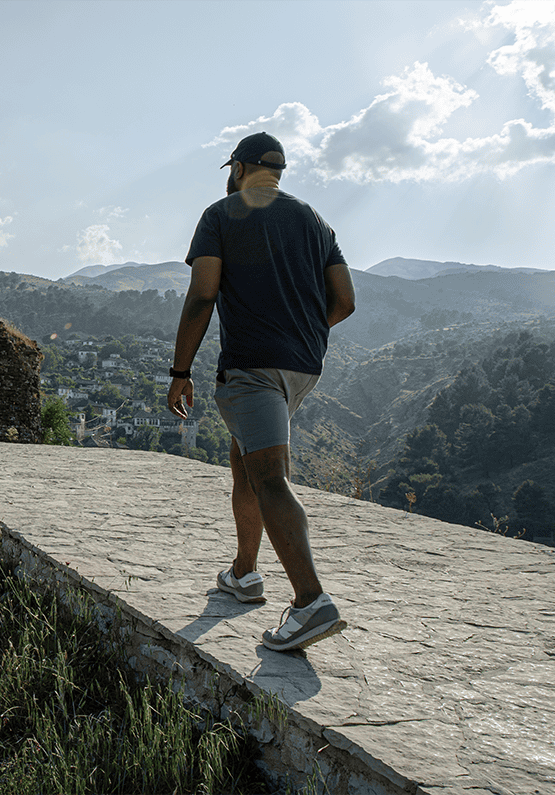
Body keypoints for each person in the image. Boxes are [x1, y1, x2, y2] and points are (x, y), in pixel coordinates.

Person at [167, 131, 356, 652]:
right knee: (244, 459)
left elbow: (204, 294)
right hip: (302, 367)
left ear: (241, 167)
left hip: (253, 367)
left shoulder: (223, 214)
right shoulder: (317, 222)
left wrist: (179, 370)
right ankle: (245, 573)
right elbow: (345, 300)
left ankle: (310, 602)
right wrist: (302, 334)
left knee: (270, 477)